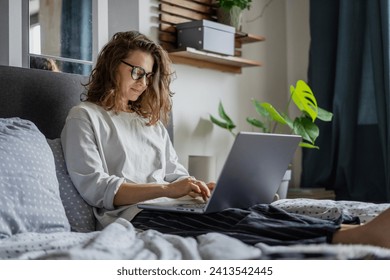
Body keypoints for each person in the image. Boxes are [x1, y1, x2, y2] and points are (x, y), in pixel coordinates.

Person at [61, 30, 390, 249]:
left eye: (148, 76)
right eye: (137, 72)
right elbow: (97, 189)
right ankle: (348, 237)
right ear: (111, 66)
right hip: (136, 216)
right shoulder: (84, 117)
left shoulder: (149, 123)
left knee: (256, 208)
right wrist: (167, 190)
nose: (144, 83)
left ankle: (350, 227)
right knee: (233, 221)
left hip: (175, 205)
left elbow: (175, 174)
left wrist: (198, 186)